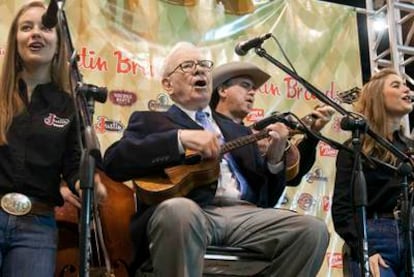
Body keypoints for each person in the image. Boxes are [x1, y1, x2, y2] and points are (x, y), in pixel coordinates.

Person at [103, 41, 329, 276]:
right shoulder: (150, 121)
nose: (199, 70)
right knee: (178, 211)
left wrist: (274, 158)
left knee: (312, 230)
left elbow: (267, 200)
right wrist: (179, 139)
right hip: (193, 213)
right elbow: (114, 162)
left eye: (203, 65)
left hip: (244, 216)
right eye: (187, 65)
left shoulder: (239, 131)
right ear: (168, 84)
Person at [0, 2, 106, 276]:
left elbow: (73, 165)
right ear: (16, 40)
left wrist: (86, 182)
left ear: (60, 44)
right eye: (26, 27)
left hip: (37, 226)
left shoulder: (70, 106)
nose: (36, 33)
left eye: (46, 27)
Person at [332, 68, 413, 276]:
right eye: (396, 85)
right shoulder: (354, 148)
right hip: (374, 237)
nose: (407, 89)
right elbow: (342, 209)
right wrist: (365, 249)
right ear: (377, 97)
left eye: (406, 85)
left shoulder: (410, 149)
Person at [210, 61, 335, 189]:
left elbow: (292, 178)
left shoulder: (257, 138)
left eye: (254, 88)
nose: (252, 92)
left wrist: (312, 135)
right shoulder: (203, 125)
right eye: (245, 85)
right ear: (223, 90)